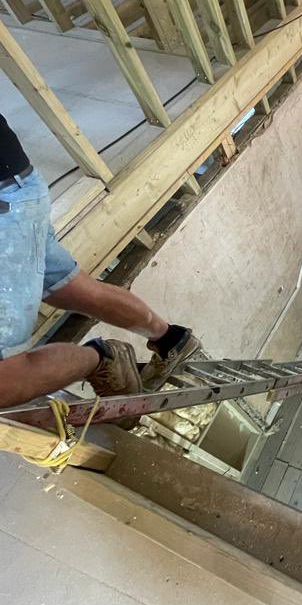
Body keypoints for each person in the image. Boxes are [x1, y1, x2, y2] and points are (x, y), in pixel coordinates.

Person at [0, 114, 198, 409]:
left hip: (8, 203)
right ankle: (172, 339)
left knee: (4, 380)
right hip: (16, 192)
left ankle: (102, 359)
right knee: (71, 289)